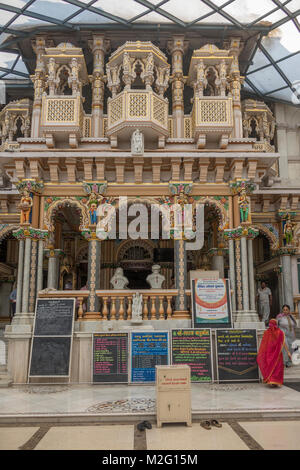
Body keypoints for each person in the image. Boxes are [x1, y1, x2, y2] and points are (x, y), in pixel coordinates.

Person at [257, 318, 292, 387]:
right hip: (276, 354)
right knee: (277, 367)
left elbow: (264, 345)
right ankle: (273, 381)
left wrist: (262, 353)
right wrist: (288, 352)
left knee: (272, 367)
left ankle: (272, 381)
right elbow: (283, 343)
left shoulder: (267, 332)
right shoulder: (279, 332)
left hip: (270, 354)